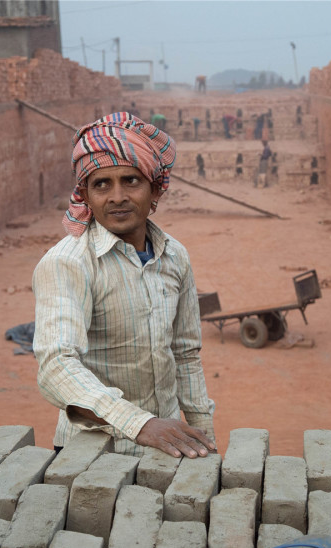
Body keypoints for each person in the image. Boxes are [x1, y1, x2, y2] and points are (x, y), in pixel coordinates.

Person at [33, 112, 216, 459]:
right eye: (102, 184)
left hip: (168, 447)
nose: (116, 196)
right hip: (92, 452)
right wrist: (140, 424)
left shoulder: (174, 256)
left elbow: (185, 355)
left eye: (131, 180)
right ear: (85, 195)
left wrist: (205, 436)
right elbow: (57, 365)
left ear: (154, 189)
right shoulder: (68, 263)